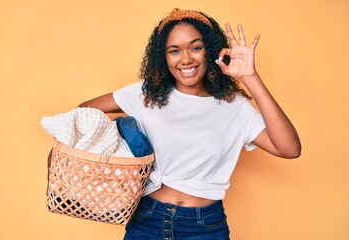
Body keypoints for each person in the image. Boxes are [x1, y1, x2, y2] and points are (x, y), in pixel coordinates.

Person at [78, 8, 301, 240]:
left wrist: (250, 78)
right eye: (174, 51)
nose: (186, 59)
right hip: (147, 221)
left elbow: (289, 148)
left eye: (196, 48)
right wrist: (112, 145)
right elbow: (83, 112)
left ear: (210, 51)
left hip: (204, 227)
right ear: (163, 57)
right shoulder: (145, 94)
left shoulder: (234, 106)